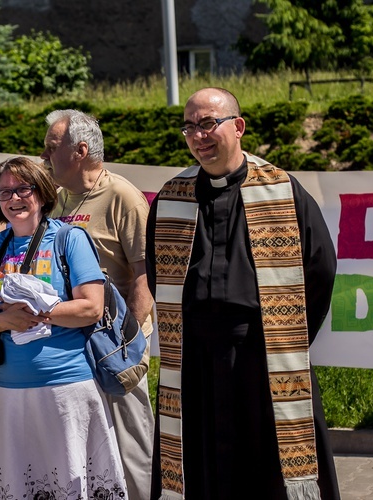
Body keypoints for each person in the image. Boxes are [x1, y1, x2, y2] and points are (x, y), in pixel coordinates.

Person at [146, 87, 340, 500]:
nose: (198, 135)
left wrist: (287, 336)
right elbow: (155, 273)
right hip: (194, 361)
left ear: (238, 127)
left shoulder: (283, 191)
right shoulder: (171, 197)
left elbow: (320, 270)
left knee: (266, 472)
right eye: (190, 127)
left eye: (208, 123)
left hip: (262, 356)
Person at [0, 156, 127, 499]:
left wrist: (40, 312)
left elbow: (91, 307)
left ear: (42, 192)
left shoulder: (69, 240)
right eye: (4, 192)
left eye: (23, 188)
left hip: (65, 389)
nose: (13, 198)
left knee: (70, 485)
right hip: (5, 394)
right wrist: (3, 321)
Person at [42, 109, 155, 499]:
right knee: (83, 446)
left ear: (81, 150)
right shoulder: (55, 201)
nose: (44, 156)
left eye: (52, 147)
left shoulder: (122, 195)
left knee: (131, 446)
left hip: (115, 344)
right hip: (70, 343)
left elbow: (145, 273)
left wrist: (128, 339)